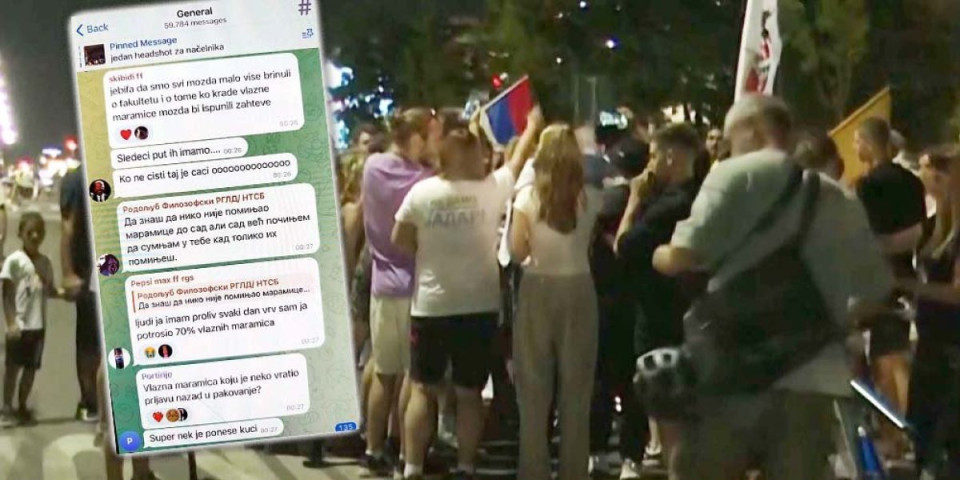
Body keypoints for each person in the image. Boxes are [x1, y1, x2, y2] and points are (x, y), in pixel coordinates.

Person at [652, 95, 894, 480]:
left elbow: (683, 256)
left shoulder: (733, 174)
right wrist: (833, 320)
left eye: (730, 138)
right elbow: (878, 287)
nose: (727, 149)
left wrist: (659, 255)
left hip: (732, 371)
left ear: (753, 130)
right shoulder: (838, 196)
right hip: (813, 379)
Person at [392, 108, 543, 480]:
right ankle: (466, 465)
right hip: (478, 306)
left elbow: (400, 239)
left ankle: (412, 466)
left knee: (423, 389)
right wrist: (532, 126)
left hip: (431, 306)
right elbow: (517, 160)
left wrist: (431, 255)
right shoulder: (489, 190)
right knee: (469, 392)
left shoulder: (422, 193)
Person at [504, 120, 601, 480]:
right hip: (580, 288)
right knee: (577, 391)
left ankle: (534, 470)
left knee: (533, 390)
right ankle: (574, 470)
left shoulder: (528, 198)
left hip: (538, 286)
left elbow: (516, 251)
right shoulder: (590, 197)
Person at [613, 123, 704, 474]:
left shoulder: (670, 205)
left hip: (659, 314)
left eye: (654, 155)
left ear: (669, 155)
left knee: (663, 406)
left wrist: (634, 199)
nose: (650, 164)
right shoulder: (701, 195)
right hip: (691, 313)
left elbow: (625, 245)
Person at [361, 108, 439, 476]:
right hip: (413, 286)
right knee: (413, 376)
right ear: (417, 138)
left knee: (383, 372)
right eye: (432, 135)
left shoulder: (372, 168)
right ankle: (406, 450)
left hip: (381, 285)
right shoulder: (424, 179)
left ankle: (373, 447)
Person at [854, 117, 926, 460]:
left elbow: (864, 233)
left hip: (875, 273)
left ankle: (892, 433)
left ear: (870, 144)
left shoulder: (867, 185)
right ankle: (911, 429)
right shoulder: (912, 181)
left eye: (857, 141)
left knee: (883, 359)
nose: (855, 148)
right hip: (904, 269)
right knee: (897, 353)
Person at [895, 146, 960, 476]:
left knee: (944, 445)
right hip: (930, 344)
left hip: (952, 349)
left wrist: (908, 286)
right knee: (922, 436)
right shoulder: (935, 225)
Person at [0, 212, 61, 426]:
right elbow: (6, 294)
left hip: (38, 327)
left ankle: (22, 406)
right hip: (19, 326)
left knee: (31, 369)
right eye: (30, 232)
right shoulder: (14, 261)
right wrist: (11, 323)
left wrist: (66, 293)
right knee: (12, 369)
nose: (35, 236)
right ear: (20, 234)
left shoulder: (45, 262)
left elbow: (49, 290)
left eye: (39, 232)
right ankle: (6, 407)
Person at [61, 163, 100, 422]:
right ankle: (89, 400)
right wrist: (68, 273)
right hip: (87, 272)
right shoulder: (77, 178)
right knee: (89, 342)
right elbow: (68, 226)